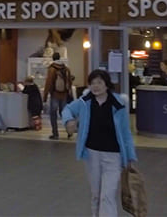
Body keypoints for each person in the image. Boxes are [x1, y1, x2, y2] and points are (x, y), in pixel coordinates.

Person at [63, 70, 137, 217]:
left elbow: (125, 133)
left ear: (106, 85)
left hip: (113, 156)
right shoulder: (85, 102)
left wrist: (130, 157)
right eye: (92, 83)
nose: (95, 86)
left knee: (107, 195)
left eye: (99, 82)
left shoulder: (118, 104)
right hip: (92, 155)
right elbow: (67, 109)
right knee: (96, 195)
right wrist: (69, 120)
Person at [43, 53, 72, 140]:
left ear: (53, 58)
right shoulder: (66, 69)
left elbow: (48, 83)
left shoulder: (52, 69)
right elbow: (69, 82)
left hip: (55, 94)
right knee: (64, 114)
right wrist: (69, 93)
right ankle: (69, 131)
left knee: (53, 114)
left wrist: (45, 96)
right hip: (64, 94)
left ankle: (55, 134)